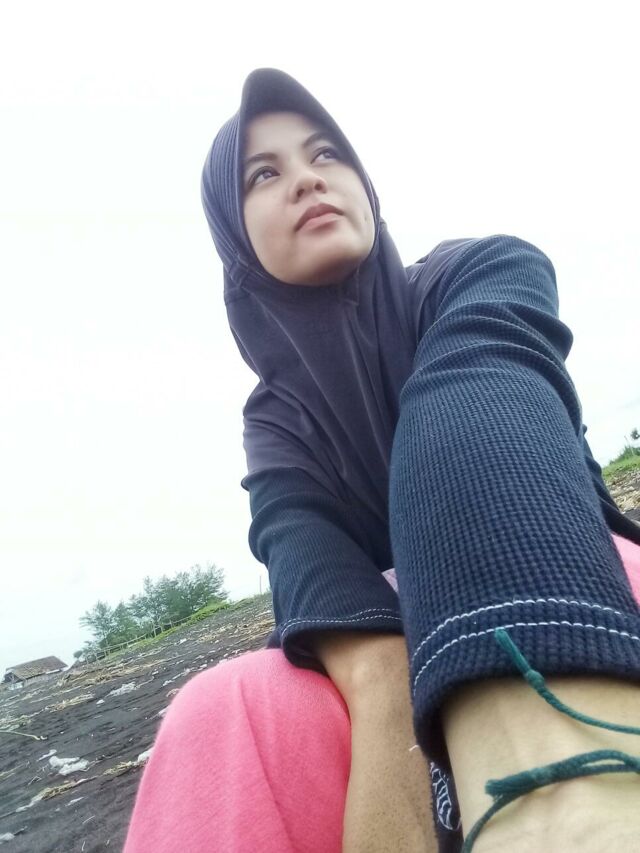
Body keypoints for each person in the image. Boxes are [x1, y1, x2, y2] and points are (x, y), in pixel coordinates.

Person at [123, 68, 640, 853]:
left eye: (326, 153)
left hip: (565, 565)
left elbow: (476, 393)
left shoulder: (480, 271)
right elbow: (301, 553)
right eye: (264, 174)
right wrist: (381, 682)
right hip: (385, 638)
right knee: (220, 708)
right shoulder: (274, 421)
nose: (308, 178)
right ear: (234, 235)